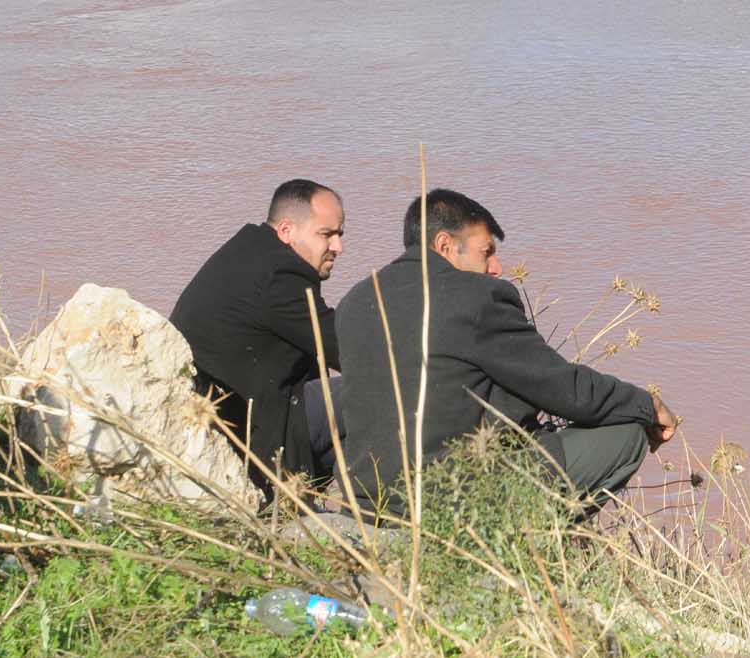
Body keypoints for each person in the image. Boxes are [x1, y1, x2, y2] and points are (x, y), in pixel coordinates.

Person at [333, 188, 676, 517]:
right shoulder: (475, 297)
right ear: (445, 245)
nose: (496, 267)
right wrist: (646, 405)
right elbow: (566, 390)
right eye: (486, 252)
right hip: (447, 497)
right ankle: (527, 546)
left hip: (367, 496)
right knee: (625, 433)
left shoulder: (356, 300)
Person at [170, 179, 346, 494]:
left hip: (226, 421)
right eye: (326, 234)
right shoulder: (280, 277)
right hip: (251, 440)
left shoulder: (250, 252)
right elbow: (347, 351)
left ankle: (321, 502)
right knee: (370, 388)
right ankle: (362, 509)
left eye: (339, 234)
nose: (337, 247)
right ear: (287, 230)